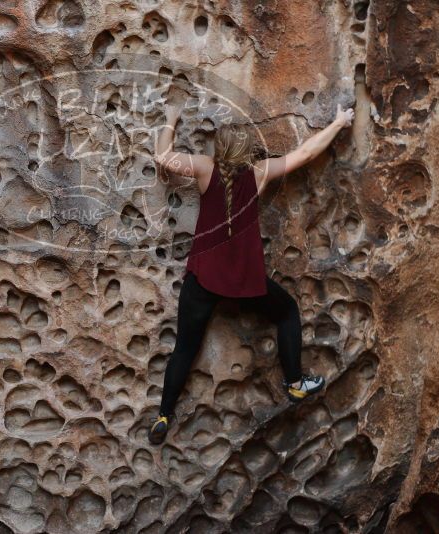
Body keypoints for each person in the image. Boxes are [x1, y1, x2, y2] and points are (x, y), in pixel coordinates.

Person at [148, 100, 355, 445]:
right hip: (245, 281)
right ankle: (294, 383)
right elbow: (304, 154)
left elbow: (162, 158)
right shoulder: (259, 172)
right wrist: (337, 123)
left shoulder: (204, 167)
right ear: (247, 151)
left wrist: (170, 119)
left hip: (204, 279)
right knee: (287, 311)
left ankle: (164, 414)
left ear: (219, 149)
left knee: (184, 347)